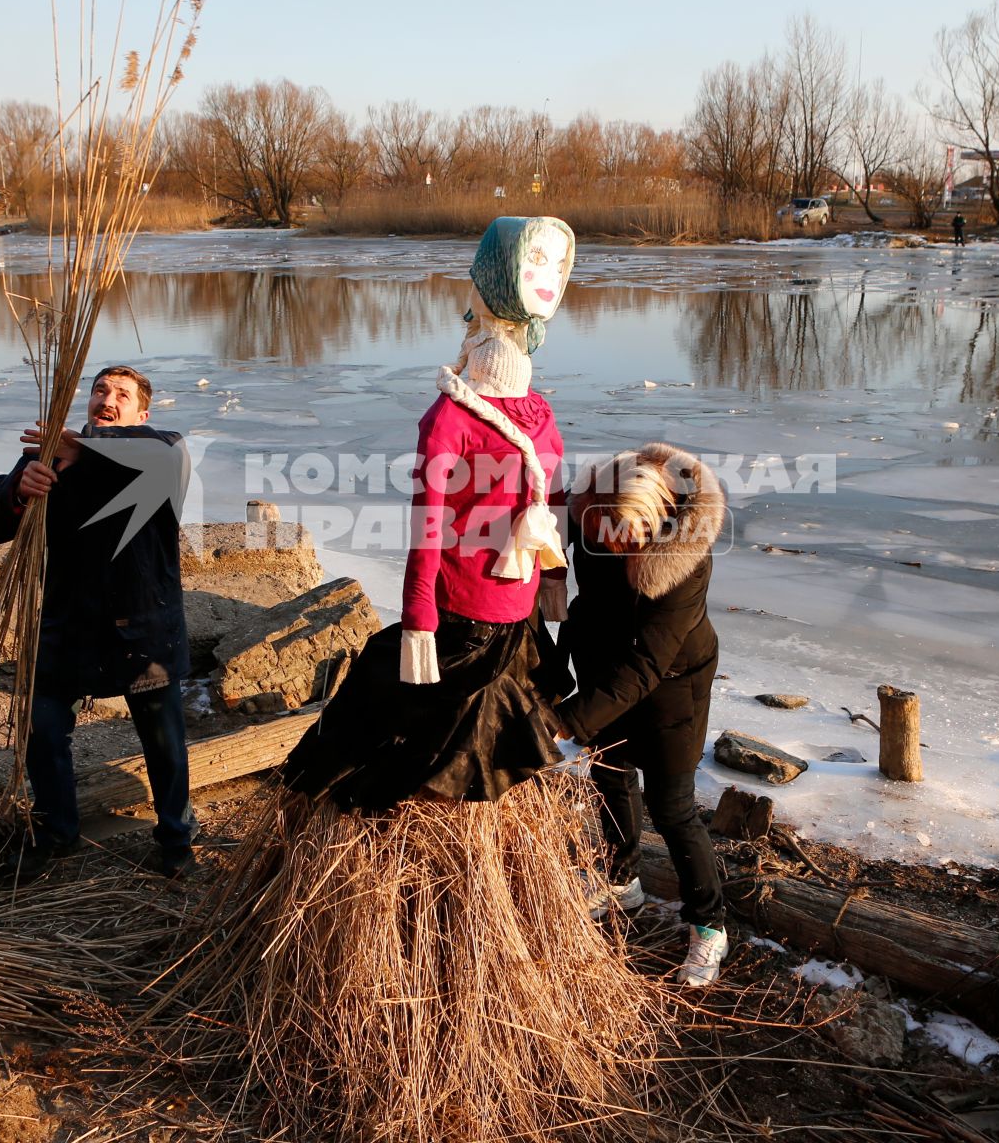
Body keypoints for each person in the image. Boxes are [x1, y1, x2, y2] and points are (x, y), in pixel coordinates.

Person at [279, 216, 575, 809]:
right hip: (464, 614)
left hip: (512, 618)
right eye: (532, 264)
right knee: (400, 741)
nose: (545, 277)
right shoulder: (452, 420)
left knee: (463, 767)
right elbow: (427, 530)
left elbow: (551, 502)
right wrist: (418, 623)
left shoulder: (535, 410)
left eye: (553, 266)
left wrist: (552, 587)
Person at [0, 364, 196, 879]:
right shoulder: (53, 456)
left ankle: (176, 835)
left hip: (143, 630)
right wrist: (18, 488)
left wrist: (87, 449)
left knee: (163, 740)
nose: (106, 399)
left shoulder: (160, 460)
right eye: (99, 390)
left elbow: (167, 448)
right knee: (43, 730)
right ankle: (57, 832)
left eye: (122, 394)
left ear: (143, 412)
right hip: (69, 629)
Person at [553, 442, 728, 987]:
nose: (602, 544)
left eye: (619, 539)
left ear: (653, 524)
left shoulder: (685, 561)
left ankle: (709, 925)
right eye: (595, 531)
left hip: (673, 681)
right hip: (604, 662)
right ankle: (620, 880)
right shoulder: (596, 505)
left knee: (671, 805)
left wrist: (567, 721)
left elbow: (650, 660)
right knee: (608, 773)